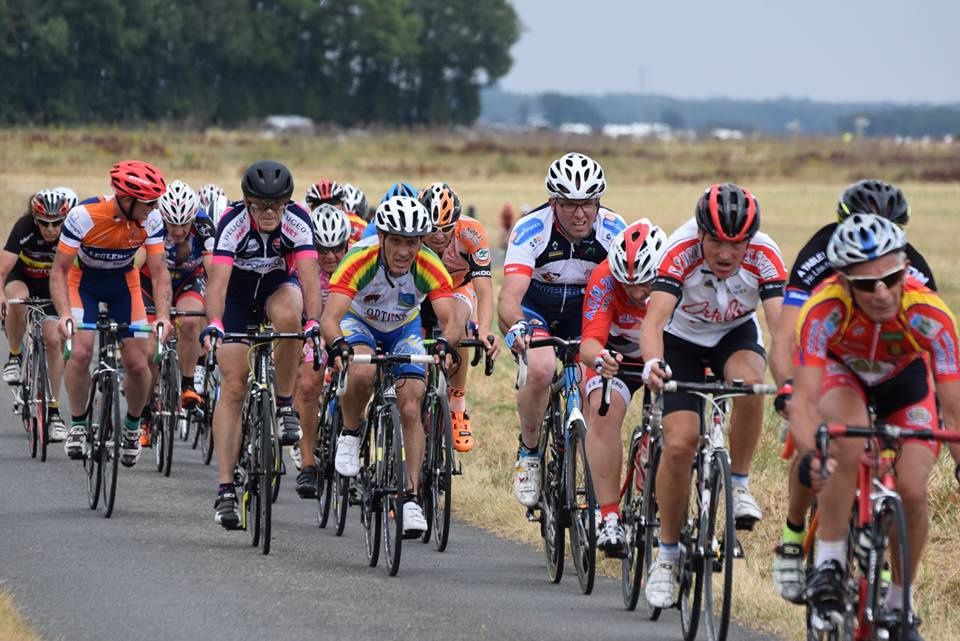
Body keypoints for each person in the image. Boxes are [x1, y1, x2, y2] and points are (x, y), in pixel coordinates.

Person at [790, 214, 960, 641]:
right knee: (845, 444)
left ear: (905, 268)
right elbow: (805, 401)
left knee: (914, 490)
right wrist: (813, 454)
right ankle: (829, 559)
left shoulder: (930, 315)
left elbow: (954, 408)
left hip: (904, 384)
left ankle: (902, 600)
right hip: (842, 376)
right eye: (867, 284)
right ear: (845, 283)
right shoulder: (823, 310)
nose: (882, 292)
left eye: (892, 277)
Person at [769, 179, 938, 602]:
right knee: (826, 440)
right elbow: (787, 334)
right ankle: (793, 537)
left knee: (907, 478)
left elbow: (931, 355)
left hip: (893, 375)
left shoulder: (912, 270)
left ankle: (894, 588)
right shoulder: (819, 257)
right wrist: (791, 389)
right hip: (836, 363)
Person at [639, 183, 789, 608]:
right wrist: (652, 363)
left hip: (733, 334)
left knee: (749, 382)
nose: (726, 254)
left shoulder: (766, 255)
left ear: (750, 240)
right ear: (701, 234)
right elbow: (654, 321)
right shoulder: (679, 249)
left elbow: (780, 332)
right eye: (717, 242)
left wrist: (792, 386)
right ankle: (667, 555)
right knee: (681, 443)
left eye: (737, 244)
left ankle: (738, 483)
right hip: (681, 340)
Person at [321, 195, 460, 535]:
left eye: (411, 242)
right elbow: (330, 318)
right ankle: (351, 432)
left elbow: (450, 319)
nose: (403, 251)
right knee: (363, 371)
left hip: (404, 328)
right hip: (359, 323)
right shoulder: (360, 258)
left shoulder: (428, 264)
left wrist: (445, 343)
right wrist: (338, 344)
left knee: (412, 401)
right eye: (396, 241)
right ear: (381, 238)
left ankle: (411, 498)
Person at [200, 160, 323, 529]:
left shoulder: (298, 220)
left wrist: (314, 322)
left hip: (275, 289)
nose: (269, 212)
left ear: (287, 202)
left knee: (292, 317)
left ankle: (284, 404)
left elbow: (310, 278)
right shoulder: (231, 224)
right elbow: (217, 284)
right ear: (247, 202)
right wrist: (216, 325)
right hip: (235, 300)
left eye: (277, 204)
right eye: (260, 205)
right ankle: (225, 489)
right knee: (234, 385)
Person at [498, 152, 625, 508]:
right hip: (535, 309)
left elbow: (628, 289)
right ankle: (530, 452)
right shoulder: (531, 229)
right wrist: (517, 328)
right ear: (554, 201)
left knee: (593, 382)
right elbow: (509, 298)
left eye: (588, 203)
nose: (580, 213)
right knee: (539, 369)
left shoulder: (614, 230)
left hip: (584, 315)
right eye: (569, 204)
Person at [50, 160, 172, 466]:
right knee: (80, 351)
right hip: (83, 283)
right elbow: (59, 270)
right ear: (127, 199)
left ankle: (132, 427)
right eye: (149, 202)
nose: (155, 208)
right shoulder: (83, 216)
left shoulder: (152, 221)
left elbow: (158, 272)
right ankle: (78, 423)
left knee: (138, 363)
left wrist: (163, 317)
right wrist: (65, 313)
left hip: (123, 284)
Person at [580, 219, 667, 558]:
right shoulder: (604, 278)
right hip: (616, 357)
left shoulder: (675, 279)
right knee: (604, 409)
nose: (635, 293)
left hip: (659, 357)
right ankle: (609, 516)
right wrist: (600, 359)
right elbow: (589, 343)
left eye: (645, 284)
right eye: (627, 284)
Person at [419, 182, 500, 452]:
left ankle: (457, 405)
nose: (439, 236)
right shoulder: (412, 231)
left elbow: (485, 289)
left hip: (456, 288)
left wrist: (485, 328)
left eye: (446, 228)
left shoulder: (471, 233)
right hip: (420, 290)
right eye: (432, 229)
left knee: (458, 327)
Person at [138, 180, 214, 446]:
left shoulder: (204, 224)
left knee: (191, 320)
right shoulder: (151, 221)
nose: (179, 231)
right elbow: (144, 265)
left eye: (185, 224)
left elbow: (213, 268)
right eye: (173, 225)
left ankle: (188, 384)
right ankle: (145, 414)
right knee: (150, 353)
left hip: (188, 280)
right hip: (153, 282)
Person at [0, 188, 78, 440]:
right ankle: (14, 356)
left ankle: (54, 413)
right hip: (22, 279)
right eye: (44, 223)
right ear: (35, 218)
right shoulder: (24, 227)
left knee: (54, 340)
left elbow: (80, 273)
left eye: (56, 223)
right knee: (17, 299)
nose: (51, 229)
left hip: (52, 288)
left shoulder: (70, 234)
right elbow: (3, 269)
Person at [292, 203, 351, 496]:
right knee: (308, 382)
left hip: (344, 330)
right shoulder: (299, 265)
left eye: (336, 249)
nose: (329, 256)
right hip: (311, 331)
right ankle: (307, 464)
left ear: (346, 244)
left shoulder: (354, 264)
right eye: (322, 249)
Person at [304, 179, 365, 243]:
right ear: (311, 208)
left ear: (343, 206)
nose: (327, 209)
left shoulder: (359, 226)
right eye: (320, 204)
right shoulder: (304, 227)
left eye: (332, 203)